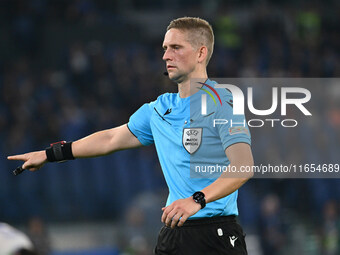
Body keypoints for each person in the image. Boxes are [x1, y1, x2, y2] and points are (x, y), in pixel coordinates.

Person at [8, 17, 254, 254]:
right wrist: (49, 154)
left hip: (216, 233)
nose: (166, 55)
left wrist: (197, 200)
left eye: (176, 47)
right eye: (165, 48)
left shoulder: (223, 101)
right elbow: (110, 139)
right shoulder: (158, 109)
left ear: (201, 53)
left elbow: (243, 166)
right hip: (174, 233)